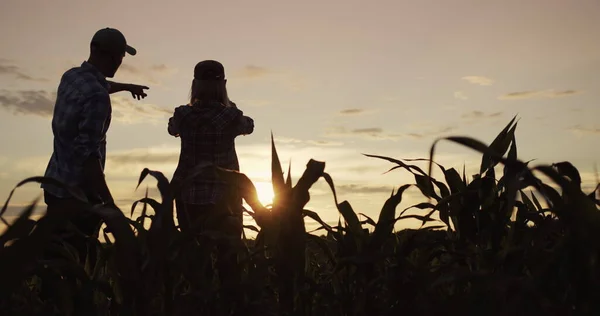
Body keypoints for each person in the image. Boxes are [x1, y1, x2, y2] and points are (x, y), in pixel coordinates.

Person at [41, 27, 149, 265]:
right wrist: (109, 206)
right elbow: (89, 158)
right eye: (120, 56)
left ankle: (44, 301)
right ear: (109, 56)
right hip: (79, 197)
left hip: (55, 184)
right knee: (79, 265)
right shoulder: (98, 98)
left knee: (52, 261)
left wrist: (127, 86)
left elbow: (99, 84)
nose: (121, 61)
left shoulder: (71, 77)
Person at [168, 60, 254, 235]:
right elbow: (249, 126)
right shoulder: (232, 116)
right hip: (226, 198)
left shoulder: (182, 115)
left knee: (192, 253)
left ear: (194, 85)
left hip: (188, 196)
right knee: (227, 256)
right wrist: (229, 105)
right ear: (223, 85)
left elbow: (172, 129)